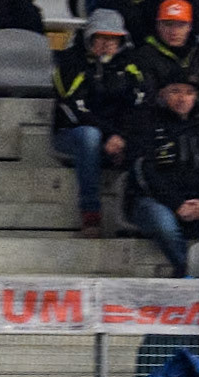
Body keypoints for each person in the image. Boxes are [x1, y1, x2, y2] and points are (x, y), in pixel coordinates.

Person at [128, 71, 199, 276]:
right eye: (175, 91)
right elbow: (144, 172)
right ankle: (188, 274)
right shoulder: (146, 121)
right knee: (165, 226)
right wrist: (176, 204)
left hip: (197, 201)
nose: (182, 98)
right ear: (162, 94)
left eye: (189, 92)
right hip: (154, 201)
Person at [53, 8, 144, 239]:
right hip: (72, 133)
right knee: (90, 136)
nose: (106, 44)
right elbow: (74, 106)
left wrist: (121, 136)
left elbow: (139, 103)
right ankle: (91, 214)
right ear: (89, 37)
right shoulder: (70, 61)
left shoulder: (130, 64)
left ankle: (133, 217)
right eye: (101, 37)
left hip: (116, 136)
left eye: (112, 39)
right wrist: (108, 135)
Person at [131, 0, 199, 107]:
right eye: (168, 24)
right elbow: (147, 95)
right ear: (158, 26)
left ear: (189, 27)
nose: (174, 31)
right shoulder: (145, 55)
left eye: (181, 25)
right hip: (159, 117)